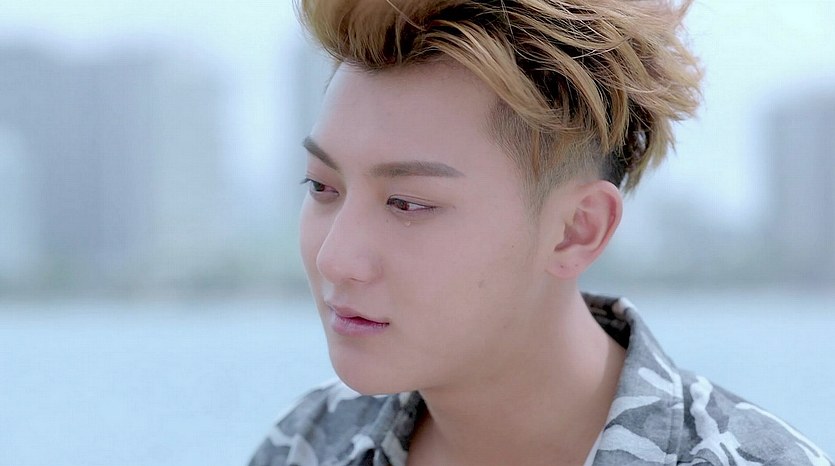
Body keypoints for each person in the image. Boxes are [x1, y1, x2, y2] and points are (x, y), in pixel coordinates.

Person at [250, 0, 833, 464]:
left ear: (576, 231)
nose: (335, 258)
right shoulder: (310, 439)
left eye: (408, 203)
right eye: (321, 186)